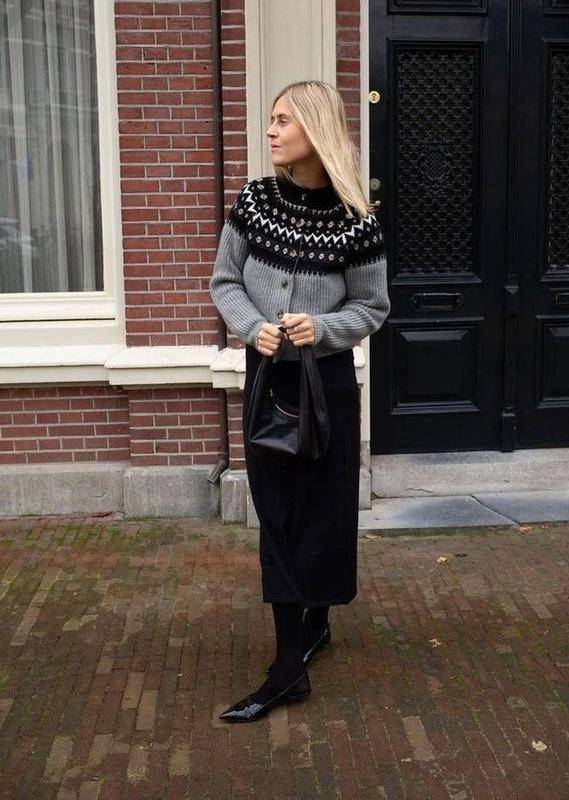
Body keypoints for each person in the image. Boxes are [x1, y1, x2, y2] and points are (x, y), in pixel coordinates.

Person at [210, 80, 390, 722]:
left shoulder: (356, 220)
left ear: (315, 130)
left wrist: (325, 327)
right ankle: (289, 668)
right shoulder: (254, 202)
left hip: (327, 387)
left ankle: (316, 622)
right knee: (278, 516)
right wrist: (251, 326)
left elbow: (372, 306)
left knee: (322, 514)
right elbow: (224, 281)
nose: (271, 130)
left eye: (283, 120)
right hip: (269, 384)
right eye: (271, 118)